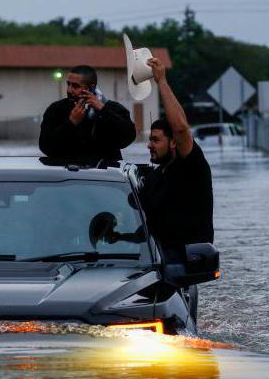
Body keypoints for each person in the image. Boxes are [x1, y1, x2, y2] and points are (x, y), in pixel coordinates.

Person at [140, 57, 214, 257]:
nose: (149, 145)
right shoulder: (152, 178)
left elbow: (181, 128)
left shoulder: (191, 166)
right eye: (150, 140)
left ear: (173, 143)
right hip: (154, 261)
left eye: (155, 140)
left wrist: (161, 82)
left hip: (185, 264)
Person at [39, 65, 136, 160]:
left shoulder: (113, 109)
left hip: (104, 173)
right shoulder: (56, 109)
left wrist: (103, 110)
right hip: (67, 173)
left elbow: (127, 138)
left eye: (75, 86)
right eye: (68, 84)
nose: (69, 90)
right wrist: (71, 123)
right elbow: (46, 147)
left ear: (91, 88)